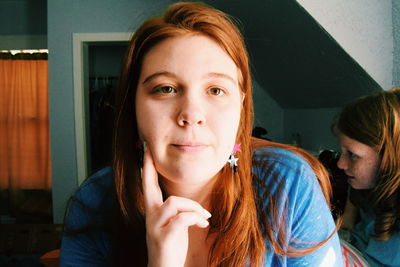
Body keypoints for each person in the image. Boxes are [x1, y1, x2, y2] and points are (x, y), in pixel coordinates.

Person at [60, 2, 343, 266]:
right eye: (165, 89)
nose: (191, 115)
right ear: (132, 105)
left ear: (241, 108)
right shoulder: (95, 204)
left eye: (216, 90)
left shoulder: (287, 186)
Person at [336, 88, 400, 267]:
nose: (341, 164)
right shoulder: (364, 186)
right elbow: (347, 229)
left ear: (390, 158)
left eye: (352, 154)